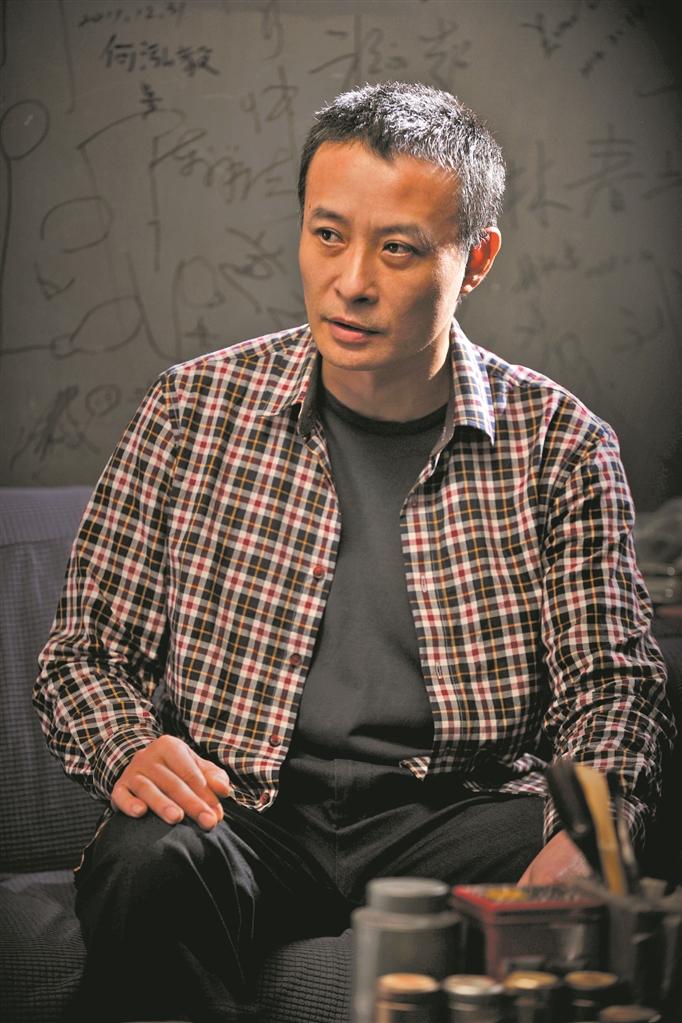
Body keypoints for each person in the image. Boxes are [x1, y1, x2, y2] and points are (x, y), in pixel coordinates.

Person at [34, 82, 674, 1022]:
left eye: (399, 249)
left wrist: (594, 830)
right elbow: (82, 653)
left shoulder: (562, 445)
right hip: (243, 810)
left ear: (477, 259)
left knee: (604, 870)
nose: (352, 281)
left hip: (455, 815)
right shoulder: (190, 410)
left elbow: (613, 685)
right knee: (147, 860)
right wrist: (130, 747)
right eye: (328, 234)